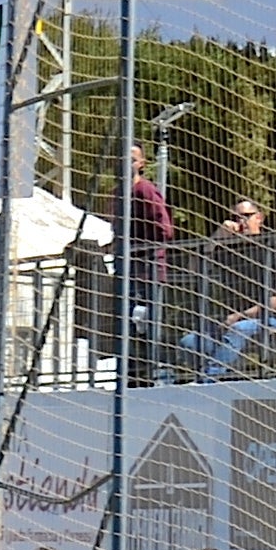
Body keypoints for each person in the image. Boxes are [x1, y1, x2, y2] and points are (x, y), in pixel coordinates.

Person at [178, 200, 276, 381]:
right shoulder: (229, 251)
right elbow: (193, 268)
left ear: (259, 218)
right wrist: (217, 237)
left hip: (269, 321)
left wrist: (240, 316)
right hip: (229, 321)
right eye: (236, 217)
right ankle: (210, 376)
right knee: (189, 342)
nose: (241, 222)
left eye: (246, 216)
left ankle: (208, 382)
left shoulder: (274, 249)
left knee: (239, 329)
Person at [125, 145, 176, 383]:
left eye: (133, 159)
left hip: (148, 271)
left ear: (141, 164)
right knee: (127, 329)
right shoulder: (117, 193)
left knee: (148, 328)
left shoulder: (145, 190)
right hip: (125, 271)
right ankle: (131, 378)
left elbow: (165, 229)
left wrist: (140, 242)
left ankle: (155, 377)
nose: (126, 162)